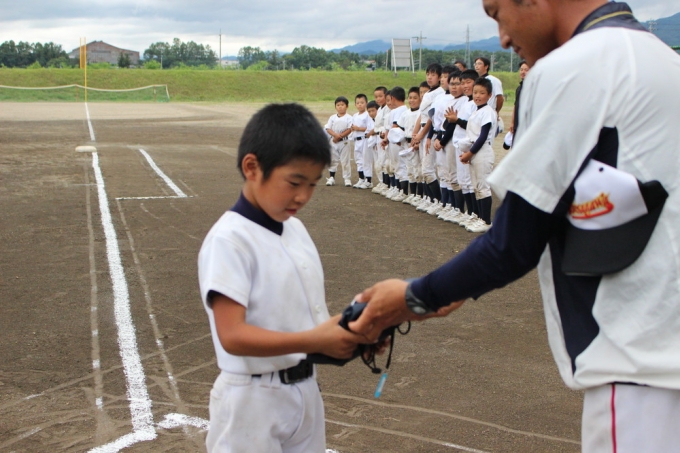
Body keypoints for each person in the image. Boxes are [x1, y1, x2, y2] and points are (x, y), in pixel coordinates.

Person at [350, 1, 680, 452]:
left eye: (497, 12)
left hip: (639, 365)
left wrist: (415, 297)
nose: (503, 37)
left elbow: (514, 242)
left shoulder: (570, 67)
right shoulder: (661, 58)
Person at [198, 103, 364, 452]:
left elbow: (303, 321)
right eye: (294, 182)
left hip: (305, 390)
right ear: (252, 167)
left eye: (313, 184)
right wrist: (314, 340)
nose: (303, 196)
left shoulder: (296, 229)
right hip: (251, 400)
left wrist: (354, 335)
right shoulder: (230, 240)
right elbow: (232, 335)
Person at [324, 96, 353, 187]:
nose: (340, 107)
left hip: (344, 141)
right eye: (338, 105)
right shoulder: (332, 117)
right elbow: (328, 128)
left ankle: (347, 179)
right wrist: (335, 135)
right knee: (333, 159)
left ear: (347, 106)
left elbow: (350, 129)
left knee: (345, 160)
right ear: (335, 106)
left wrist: (340, 136)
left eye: (342, 105)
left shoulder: (349, 117)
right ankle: (331, 177)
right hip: (333, 141)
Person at [350, 94, 371, 188]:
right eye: (358, 103)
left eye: (362, 102)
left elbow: (369, 128)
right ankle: (361, 179)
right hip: (356, 140)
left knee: (366, 160)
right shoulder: (355, 115)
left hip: (364, 139)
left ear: (366, 103)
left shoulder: (367, 115)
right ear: (355, 104)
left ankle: (368, 180)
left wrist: (358, 128)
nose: (360, 105)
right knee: (358, 160)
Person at [473, 56, 504, 120]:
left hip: (489, 113)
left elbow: (500, 98)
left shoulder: (494, 80)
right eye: (475, 64)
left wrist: (496, 111)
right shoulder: (476, 81)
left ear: (486, 66)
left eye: (479, 64)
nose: (477, 66)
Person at [509, 60, 530, 140]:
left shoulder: (533, 87)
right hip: (517, 124)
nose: (523, 72)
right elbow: (516, 106)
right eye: (521, 70)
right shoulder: (519, 88)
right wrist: (512, 122)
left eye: (526, 70)